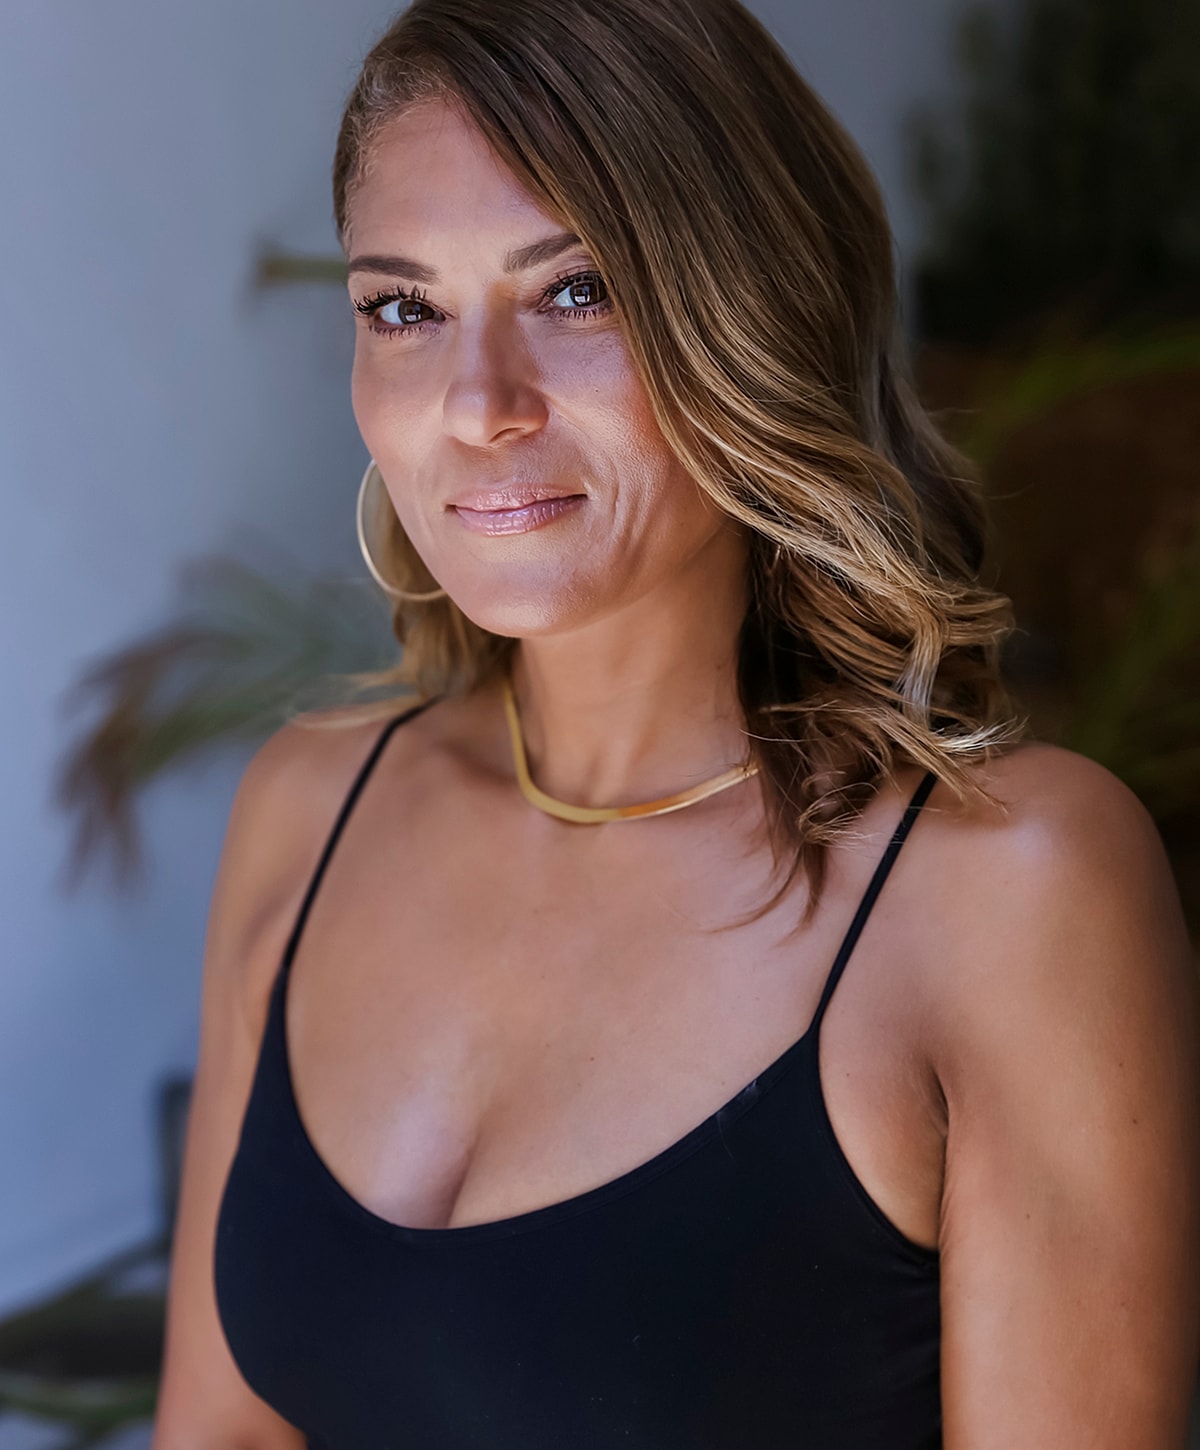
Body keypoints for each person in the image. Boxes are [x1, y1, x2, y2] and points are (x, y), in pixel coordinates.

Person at [149, 0, 1200, 1445]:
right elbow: (222, 1431)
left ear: (754, 312)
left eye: (576, 289)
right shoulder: (308, 805)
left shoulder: (1007, 889)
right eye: (405, 306)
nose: (478, 405)